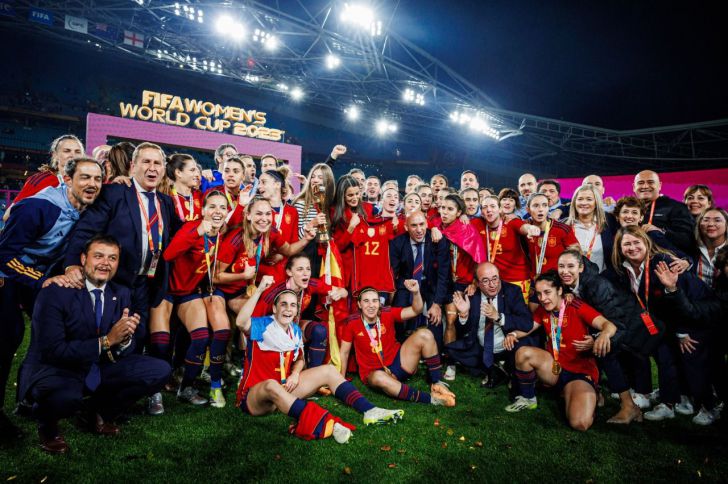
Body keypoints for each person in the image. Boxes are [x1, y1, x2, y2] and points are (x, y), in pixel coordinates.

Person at [20, 235, 171, 453]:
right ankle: (48, 426)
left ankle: (95, 414)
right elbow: (53, 350)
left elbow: (123, 348)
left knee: (158, 370)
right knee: (66, 397)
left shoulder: (121, 293)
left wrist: (125, 339)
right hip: (56, 368)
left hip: (95, 365)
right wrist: (108, 340)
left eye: (112, 258)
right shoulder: (56, 291)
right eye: (98, 256)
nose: (105, 263)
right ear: (83, 259)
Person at [0, 157, 103, 441]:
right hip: (8, 275)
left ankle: (37, 397)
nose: (92, 184)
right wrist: (40, 279)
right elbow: (4, 254)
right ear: (67, 180)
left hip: (37, 276)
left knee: (54, 332)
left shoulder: (86, 208)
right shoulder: (38, 206)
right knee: (9, 335)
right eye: (85, 178)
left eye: (97, 179)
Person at [235, 277, 404, 444]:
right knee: (271, 384)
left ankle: (370, 411)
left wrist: (295, 373)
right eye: (283, 304)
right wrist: (259, 290)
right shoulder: (262, 325)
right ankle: (329, 424)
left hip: (285, 388)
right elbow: (241, 322)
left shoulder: (294, 330)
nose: (288, 309)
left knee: (328, 370)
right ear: (274, 308)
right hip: (256, 396)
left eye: (293, 305)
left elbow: (300, 358)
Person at [64, 143, 180, 349]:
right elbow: (86, 230)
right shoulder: (115, 192)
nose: (152, 168)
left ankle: (129, 374)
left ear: (163, 170)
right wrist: (72, 263)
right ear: (133, 166)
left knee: (138, 334)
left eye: (157, 163)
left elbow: (182, 234)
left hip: (147, 282)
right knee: (106, 334)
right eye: (146, 162)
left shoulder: (166, 202)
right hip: (114, 280)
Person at [610, 226, 721, 425]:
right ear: (619, 248)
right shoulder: (624, 269)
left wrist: (681, 331)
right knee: (664, 353)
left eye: (637, 242)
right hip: (672, 316)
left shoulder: (663, 262)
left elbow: (681, 300)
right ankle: (670, 402)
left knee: (692, 356)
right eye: (627, 243)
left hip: (699, 314)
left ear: (647, 243)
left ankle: (709, 406)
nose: (633, 247)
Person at [503, 271, 617, 431]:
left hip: (579, 372)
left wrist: (603, 335)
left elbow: (609, 325)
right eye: (539, 294)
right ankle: (528, 398)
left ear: (560, 290)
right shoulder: (543, 310)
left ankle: (591, 393)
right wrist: (513, 334)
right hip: (555, 369)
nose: (542, 299)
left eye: (547, 292)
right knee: (523, 353)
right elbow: (528, 328)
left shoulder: (576, 306)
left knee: (580, 423)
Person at [148, 190, 229, 411]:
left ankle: (186, 388)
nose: (217, 211)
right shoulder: (192, 227)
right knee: (161, 342)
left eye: (223, 207)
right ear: (202, 210)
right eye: (212, 206)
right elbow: (169, 255)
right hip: (166, 290)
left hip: (188, 292)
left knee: (201, 337)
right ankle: (154, 392)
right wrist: (198, 231)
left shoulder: (222, 236)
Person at [556, 250, 644, 424]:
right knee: (586, 346)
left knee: (604, 351)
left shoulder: (598, 285)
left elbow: (617, 322)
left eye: (570, 266)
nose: (565, 271)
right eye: (561, 266)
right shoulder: (565, 282)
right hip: (603, 323)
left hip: (626, 323)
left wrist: (598, 337)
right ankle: (596, 392)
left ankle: (629, 406)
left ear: (581, 268)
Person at [339, 283, 457, 407]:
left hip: (399, 362)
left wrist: (416, 292)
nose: (371, 305)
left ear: (379, 303)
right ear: (359, 304)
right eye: (366, 301)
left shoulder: (387, 312)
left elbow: (415, 310)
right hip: (373, 372)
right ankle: (432, 399)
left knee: (425, 334)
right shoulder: (352, 322)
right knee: (379, 377)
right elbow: (344, 352)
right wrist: (341, 379)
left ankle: (437, 382)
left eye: (375, 301)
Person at [253, 254, 348, 369]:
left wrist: (339, 293)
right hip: (272, 333)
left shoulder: (311, 285)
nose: (305, 273)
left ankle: (314, 375)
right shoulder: (275, 292)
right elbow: (254, 320)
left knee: (319, 331)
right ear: (289, 272)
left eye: (308, 269)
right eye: (300, 269)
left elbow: (343, 291)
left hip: (294, 327)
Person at [447, 262, 533, 387]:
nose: (492, 285)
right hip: (483, 348)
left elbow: (527, 323)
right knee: (450, 349)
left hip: (507, 347)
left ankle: (503, 368)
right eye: (485, 281)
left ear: (499, 277)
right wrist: (464, 315)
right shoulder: (471, 296)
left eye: (495, 279)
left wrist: (499, 317)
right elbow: (463, 331)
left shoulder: (512, 291)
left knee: (524, 347)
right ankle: (494, 368)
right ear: (477, 283)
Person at [390, 211, 450, 344]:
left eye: (422, 224)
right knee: (398, 314)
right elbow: (393, 274)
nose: (419, 230)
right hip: (407, 284)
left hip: (430, 285)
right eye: (414, 225)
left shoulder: (438, 241)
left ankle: (435, 357)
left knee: (435, 318)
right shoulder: (397, 243)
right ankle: (401, 351)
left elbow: (443, 275)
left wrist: (437, 303)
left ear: (427, 224)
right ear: (406, 227)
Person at [3, 135, 85, 221]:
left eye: (78, 152)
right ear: (55, 155)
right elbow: (8, 216)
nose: (73, 155)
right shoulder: (41, 180)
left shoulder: (91, 182)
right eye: (67, 151)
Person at [480, 195, 539, 301]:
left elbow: (523, 227)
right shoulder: (478, 224)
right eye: (485, 207)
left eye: (493, 206)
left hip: (517, 280)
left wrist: (531, 228)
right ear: (481, 211)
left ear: (500, 209)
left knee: (519, 314)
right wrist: (462, 216)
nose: (489, 210)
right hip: (494, 283)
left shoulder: (511, 222)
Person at [633, 170, 695, 254]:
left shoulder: (676, 207)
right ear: (634, 187)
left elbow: (687, 241)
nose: (645, 186)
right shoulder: (629, 210)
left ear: (660, 185)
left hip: (666, 263)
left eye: (650, 182)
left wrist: (661, 231)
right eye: (640, 183)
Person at [256, 166, 299, 283]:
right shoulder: (257, 209)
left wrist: (281, 255)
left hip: (283, 267)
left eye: (263, 182)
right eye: (259, 183)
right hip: (259, 266)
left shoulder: (292, 211)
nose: (259, 186)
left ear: (277, 184)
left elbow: (294, 242)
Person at [524, 193, 580, 277]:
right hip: (530, 282)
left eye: (544, 205)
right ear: (528, 209)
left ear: (548, 208)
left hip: (556, 281)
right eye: (536, 206)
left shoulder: (562, 229)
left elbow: (577, 257)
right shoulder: (522, 228)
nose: (541, 209)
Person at [565, 184, 613, 273]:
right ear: (574, 202)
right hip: (571, 282)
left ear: (596, 203)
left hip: (600, 282)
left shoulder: (608, 224)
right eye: (580, 199)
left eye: (589, 199)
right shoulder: (564, 226)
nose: (583, 203)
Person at [693, 207, 727, 287]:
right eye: (706, 220)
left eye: (717, 220)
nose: (711, 224)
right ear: (699, 224)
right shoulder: (690, 249)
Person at [166, 153, 203, 222]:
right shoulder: (166, 197)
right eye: (192, 170)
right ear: (178, 173)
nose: (197, 174)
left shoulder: (200, 195)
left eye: (197, 170)